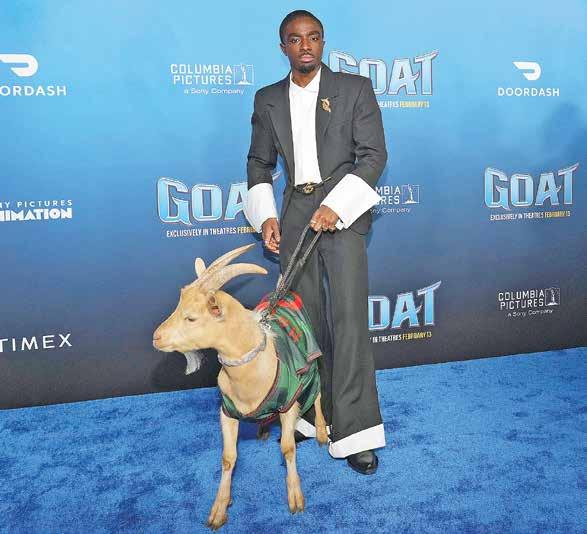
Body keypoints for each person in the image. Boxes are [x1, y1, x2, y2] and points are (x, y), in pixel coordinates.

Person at [244, 9, 387, 475]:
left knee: (348, 320)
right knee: (303, 324)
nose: (305, 45)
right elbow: (259, 163)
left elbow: (373, 155)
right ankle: (310, 416)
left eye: (313, 37)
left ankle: (357, 432)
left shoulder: (355, 88)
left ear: (323, 42)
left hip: (343, 207)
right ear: (282, 47)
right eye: (295, 39)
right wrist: (266, 216)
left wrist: (338, 205)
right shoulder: (267, 99)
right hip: (295, 213)